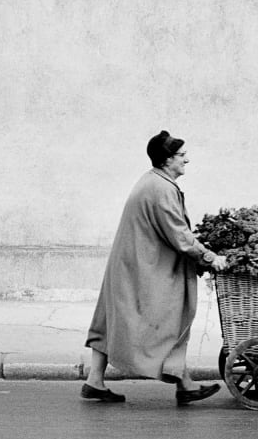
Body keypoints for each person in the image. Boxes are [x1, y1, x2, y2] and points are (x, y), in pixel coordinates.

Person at [83, 131, 228, 406]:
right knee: (170, 321)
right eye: (182, 156)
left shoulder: (151, 180)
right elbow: (180, 236)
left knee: (109, 319)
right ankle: (184, 384)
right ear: (167, 160)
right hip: (143, 269)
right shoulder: (161, 189)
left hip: (129, 265)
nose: (188, 160)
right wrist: (210, 257)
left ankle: (94, 380)